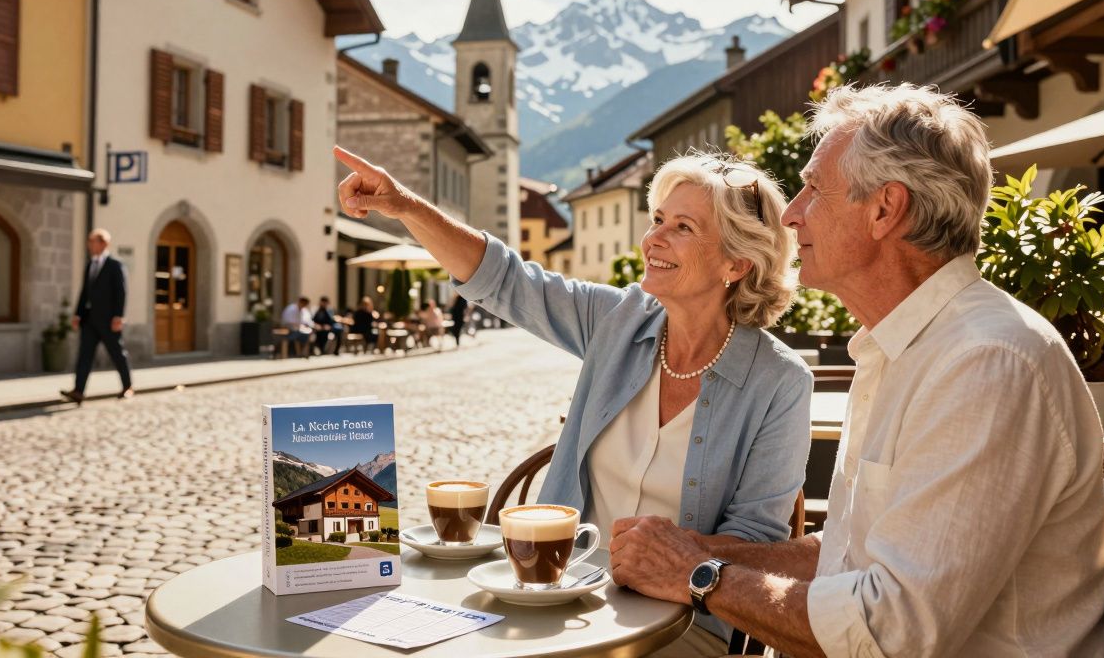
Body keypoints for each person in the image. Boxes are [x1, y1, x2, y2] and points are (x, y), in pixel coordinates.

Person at [607, 84, 1104, 657]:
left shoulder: (986, 363)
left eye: (814, 189)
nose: (792, 213)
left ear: (884, 209)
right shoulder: (902, 346)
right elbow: (847, 552)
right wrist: (694, 550)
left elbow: (887, 631)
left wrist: (698, 573)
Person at [337, 144, 812, 653]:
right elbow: (506, 281)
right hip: (555, 597)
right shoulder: (618, 321)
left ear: (736, 263)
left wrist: (669, 557)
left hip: (681, 622)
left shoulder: (780, 382)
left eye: (683, 228)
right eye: (657, 219)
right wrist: (404, 204)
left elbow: (758, 543)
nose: (653, 238)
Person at [61, 228, 132, 403]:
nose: (89, 245)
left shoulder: (115, 265)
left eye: (93, 241)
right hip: (90, 320)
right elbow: (85, 292)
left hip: (109, 320)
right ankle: (79, 390)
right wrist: (78, 314)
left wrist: (118, 316)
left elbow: (121, 292)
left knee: (117, 354)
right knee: (84, 355)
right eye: (89, 241)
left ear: (104, 243)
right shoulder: (90, 265)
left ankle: (127, 386)